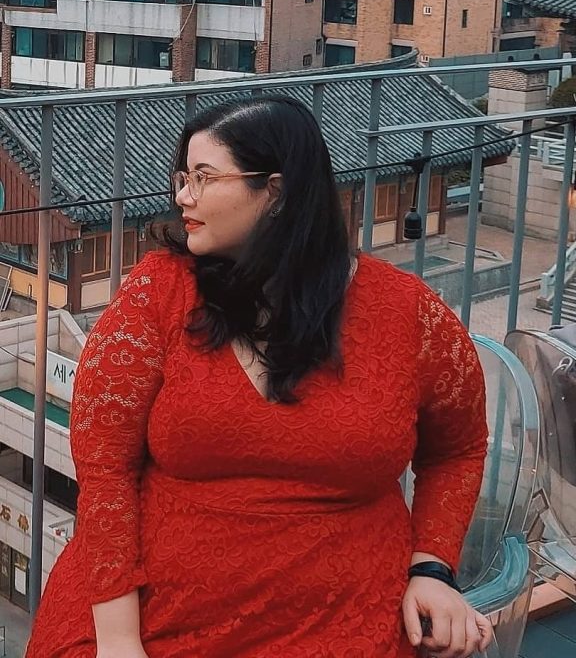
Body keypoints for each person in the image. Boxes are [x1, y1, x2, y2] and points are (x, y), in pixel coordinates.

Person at [26, 96, 492, 658]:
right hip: (149, 612)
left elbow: (458, 449)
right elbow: (105, 467)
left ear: (274, 191)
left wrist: (433, 568)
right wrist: (120, 641)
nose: (182, 196)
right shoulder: (157, 294)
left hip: (341, 615)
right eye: (182, 176)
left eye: (204, 177)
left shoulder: (407, 312)